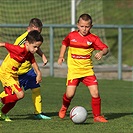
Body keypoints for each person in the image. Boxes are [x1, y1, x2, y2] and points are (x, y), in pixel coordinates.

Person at [57, 13, 109, 123]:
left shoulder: (93, 39)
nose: (84, 29)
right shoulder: (72, 36)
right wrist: (61, 56)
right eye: (82, 26)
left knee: (95, 92)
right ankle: (64, 107)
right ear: (77, 25)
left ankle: (97, 116)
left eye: (87, 26)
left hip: (87, 70)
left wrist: (101, 52)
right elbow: (64, 43)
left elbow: (105, 48)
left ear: (91, 26)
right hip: (74, 71)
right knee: (70, 94)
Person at [0, 18, 51, 120]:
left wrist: (39, 73)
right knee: (19, 94)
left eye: (38, 47)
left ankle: (3, 113)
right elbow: (4, 44)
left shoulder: (30, 50)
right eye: (35, 47)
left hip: (14, 74)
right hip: (7, 73)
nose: (36, 50)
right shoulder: (19, 48)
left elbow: (32, 60)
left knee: (15, 98)